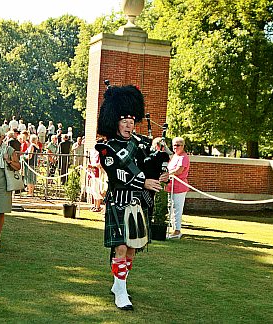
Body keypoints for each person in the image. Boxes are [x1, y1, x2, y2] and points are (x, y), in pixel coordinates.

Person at [95, 85, 169, 310]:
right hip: (119, 200)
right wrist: (143, 182)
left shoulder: (141, 144)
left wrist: (160, 173)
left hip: (138, 202)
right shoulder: (106, 148)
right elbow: (117, 175)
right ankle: (121, 290)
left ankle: (120, 283)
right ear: (114, 122)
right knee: (120, 247)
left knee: (133, 247)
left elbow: (148, 166)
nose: (128, 125)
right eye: (124, 121)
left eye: (131, 121)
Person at [166, 137, 190, 239]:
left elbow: (179, 171)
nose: (176, 147)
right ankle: (173, 229)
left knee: (177, 209)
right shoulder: (175, 156)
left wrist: (166, 174)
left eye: (178, 145)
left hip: (179, 187)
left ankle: (177, 230)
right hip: (170, 186)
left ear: (183, 146)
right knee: (171, 209)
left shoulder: (184, 157)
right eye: (174, 145)